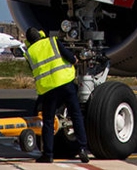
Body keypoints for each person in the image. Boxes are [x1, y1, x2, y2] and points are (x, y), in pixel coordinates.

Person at [24, 27, 90, 163]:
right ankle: (83, 149)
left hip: (48, 89)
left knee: (48, 121)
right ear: (40, 34)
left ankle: (48, 154)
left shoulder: (29, 52)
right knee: (76, 115)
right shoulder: (52, 41)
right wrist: (75, 60)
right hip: (66, 83)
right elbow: (71, 58)